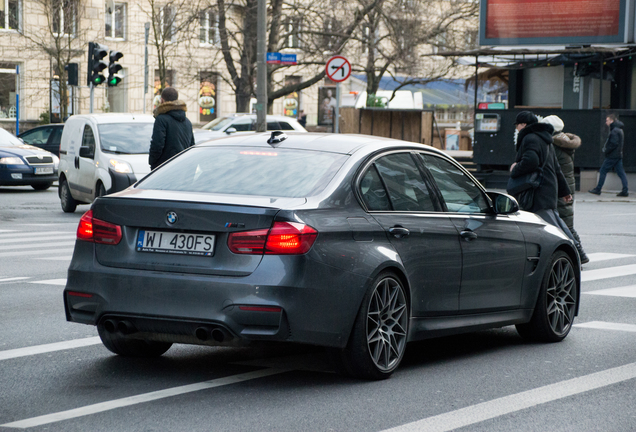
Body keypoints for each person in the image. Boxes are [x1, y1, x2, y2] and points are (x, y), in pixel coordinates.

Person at [509, 111, 587, 264]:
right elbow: (556, 167)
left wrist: (515, 168)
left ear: (523, 125)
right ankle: (574, 253)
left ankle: (574, 253)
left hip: (538, 191)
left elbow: (531, 161)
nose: (517, 129)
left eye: (517, 125)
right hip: (548, 190)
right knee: (553, 223)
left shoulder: (530, 138)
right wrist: (565, 191)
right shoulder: (545, 139)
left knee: (551, 226)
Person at [541, 115, 589, 264]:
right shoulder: (564, 142)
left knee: (565, 224)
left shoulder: (554, 146)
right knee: (566, 222)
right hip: (566, 187)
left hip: (561, 189)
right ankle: (580, 255)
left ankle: (579, 255)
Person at [149, 87, 195, 170]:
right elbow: (191, 146)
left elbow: (157, 144)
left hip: (164, 167)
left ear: (162, 100)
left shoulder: (161, 119)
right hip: (182, 166)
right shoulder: (187, 122)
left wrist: (152, 162)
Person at [589, 113, 629, 197]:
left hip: (612, 156)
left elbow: (613, 143)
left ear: (612, 120)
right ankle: (625, 190)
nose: (606, 122)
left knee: (603, 170)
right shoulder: (619, 130)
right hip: (618, 155)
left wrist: (607, 151)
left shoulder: (614, 131)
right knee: (621, 172)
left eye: (607, 120)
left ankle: (598, 189)